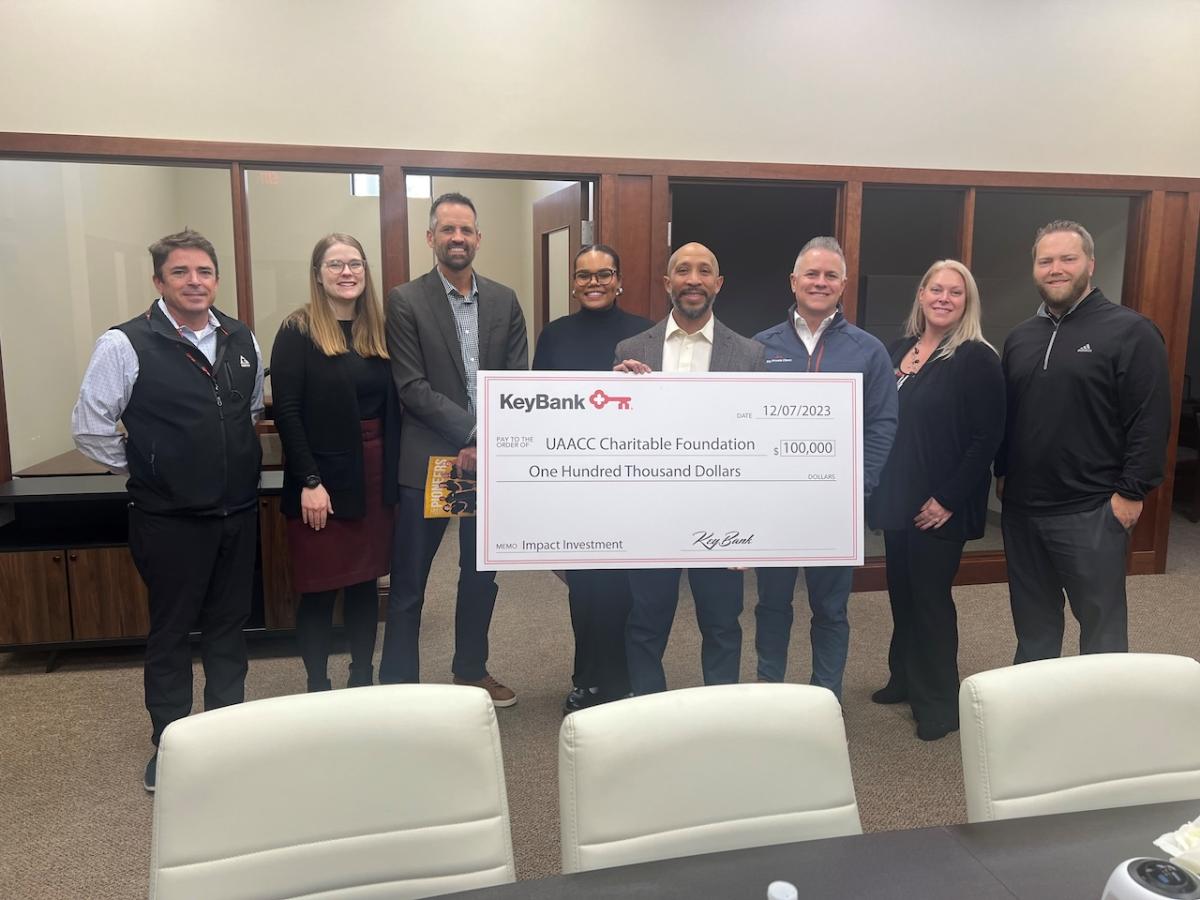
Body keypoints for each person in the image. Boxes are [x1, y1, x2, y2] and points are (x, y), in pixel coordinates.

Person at [71, 229, 264, 792]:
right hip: (169, 520)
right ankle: (172, 746)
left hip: (237, 513)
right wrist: (147, 466)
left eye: (204, 272)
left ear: (217, 279)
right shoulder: (125, 344)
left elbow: (249, 410)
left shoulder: (239, 336)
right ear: (159, 281)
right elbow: (90, 425)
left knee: (230, 630)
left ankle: (227, 734)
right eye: (180, 273)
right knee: (173, 635)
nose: (194, 282)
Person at [996, 219, 1170, 662]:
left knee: (1102, 629)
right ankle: (1036, 714)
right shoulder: (1019, 339)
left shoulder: (1131, 332)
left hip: (1092, 510)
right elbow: (1009, 416)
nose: (1056, 268)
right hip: (1022, 511)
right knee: (1033, 626)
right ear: (1034, 268)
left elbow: (1150, 421)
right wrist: (1002, 473)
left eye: (1067, 259)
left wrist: (1131, 494)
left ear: (1089, 265)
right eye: (1046, 260)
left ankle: (1100, 723)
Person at [380, 192, 528, 706]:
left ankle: (471, 671)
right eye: (447, 230)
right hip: (430, 462)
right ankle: (398, 685)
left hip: (486, 464)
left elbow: (515, 380)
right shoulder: (405, 300)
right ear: (431, 238)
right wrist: (472, 434)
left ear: (478, 238)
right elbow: (412, 387)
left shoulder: (505, 300)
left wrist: (485, 442)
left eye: (465, 230)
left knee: (480, 576)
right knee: (410, 583)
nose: (457, 238)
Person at [613, 242, 766, 694]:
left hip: (719, 518)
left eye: (704, 271)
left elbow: (757, 448)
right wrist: (620, 395)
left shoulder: (749, 355)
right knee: (645, 623)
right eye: (683, 270)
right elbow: (616, 441)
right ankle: (647, 711)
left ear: (718, 284)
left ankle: (719, 717)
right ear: (668, 283)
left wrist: (748, 531)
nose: (693, 279)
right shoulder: (630, 350)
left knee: (722, 624)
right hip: (652, 514)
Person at [753, 236, 897, 701]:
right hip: (774, 508)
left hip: (837, 507)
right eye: (811, 274)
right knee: (772, 605)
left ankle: (826, 697)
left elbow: (882, 423)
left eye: (830, 275)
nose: (820, 282)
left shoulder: (868, 350)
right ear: (794, 282)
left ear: (843, 284)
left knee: (830, 609)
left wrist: (860, 487)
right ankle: (771, 694)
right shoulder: (760, 347)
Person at [866, 260, 1005, 740]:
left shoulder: (976, 357)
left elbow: (987, 438)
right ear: (921, 295)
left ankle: (940, 703)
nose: (944, 298)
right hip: (899, 498)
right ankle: (903, 677)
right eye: (936, 289)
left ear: (968, 302)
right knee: (902, 593)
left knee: (930, 600)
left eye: (956, 292)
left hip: (939, 505)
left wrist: (946, 498)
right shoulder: (899, 349)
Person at [270, 233, 400, 692]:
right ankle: (317, 685)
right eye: (335, 265)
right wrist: (309, 480)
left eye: (355, 264)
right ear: (318, 275)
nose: (347, 273)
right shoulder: (297, 330)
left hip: (374, 474)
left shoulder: (377, 330)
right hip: (321, 478)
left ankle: (362, 677)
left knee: (366, 584)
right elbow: (286, 410)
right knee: (320, 587)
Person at [532, 243, 653, 712]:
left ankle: (625, 682)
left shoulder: (644, 333)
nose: (594, 283)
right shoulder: (555, 336)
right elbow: (539, 407)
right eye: (584, 275)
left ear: (619, 279)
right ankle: (587, 679)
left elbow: (658, 410)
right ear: (573, 282)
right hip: (574, 482)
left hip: (630, 484)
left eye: (604, 274)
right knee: (584, 592)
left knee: (626, 591)